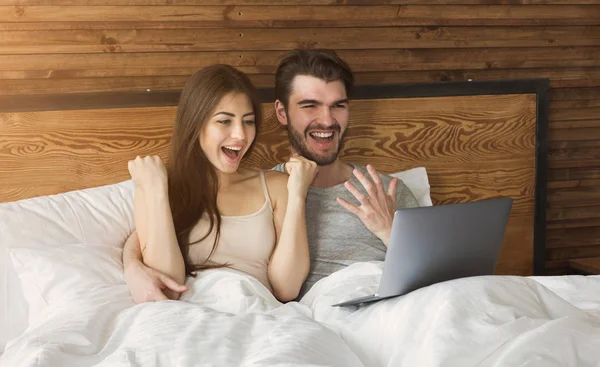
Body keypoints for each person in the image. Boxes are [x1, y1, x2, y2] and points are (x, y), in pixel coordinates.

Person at [124, 49, 419, 302]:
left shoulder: (390, 190)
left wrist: (390, 231)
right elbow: (148, 248)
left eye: (338, 106)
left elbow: (435, 273)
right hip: (324, 311)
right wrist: (131, 263)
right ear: (281, 112)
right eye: (310, 106)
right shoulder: (280, 186)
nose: (327, 120)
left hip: (396, 303)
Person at [123, 64, 317, 303]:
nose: (241, 135)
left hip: (258, 315)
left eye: (248, 121)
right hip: (190, 319)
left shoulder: (277, 187)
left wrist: (298, 193)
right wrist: (156, 191)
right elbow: (168, 290)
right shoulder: (155, 189)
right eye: (225, 121)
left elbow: (287, 288)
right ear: (196, 124)